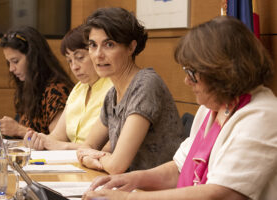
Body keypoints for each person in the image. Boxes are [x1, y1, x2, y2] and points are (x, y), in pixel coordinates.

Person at [82, 16, 277, 200]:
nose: (186, 81)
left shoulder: (263, 115)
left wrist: (132, 197)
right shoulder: (211, 108)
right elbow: (179, 169)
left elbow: (223, 194)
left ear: (222, 71)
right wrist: (131, 180)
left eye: (192, 73)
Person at [76, 7, 185, 175]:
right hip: (128, 187)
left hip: (158, 191)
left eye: (109, 45)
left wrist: (93, 158)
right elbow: (86, 147)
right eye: (93, 45)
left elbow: (116, 166)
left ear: (131, 47)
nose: (98, 55)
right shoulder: (112, 94)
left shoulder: (146, 84)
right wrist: (93, 157)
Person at [24, 25, 113, 150]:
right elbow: (56, 137)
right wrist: (36, 139)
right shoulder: (78, 89)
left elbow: (107, 149)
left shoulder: (113, 88)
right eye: (69, 61)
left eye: (80, 58)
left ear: (95, 53)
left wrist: (64, 146)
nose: (74, 67)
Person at [0, 26, 74, 138]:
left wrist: (19, 130)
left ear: (33, 58)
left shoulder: (56, 90)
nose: (11, 68)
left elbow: (58, 142)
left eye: (15, 61)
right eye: (8, 62)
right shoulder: (29, 87)